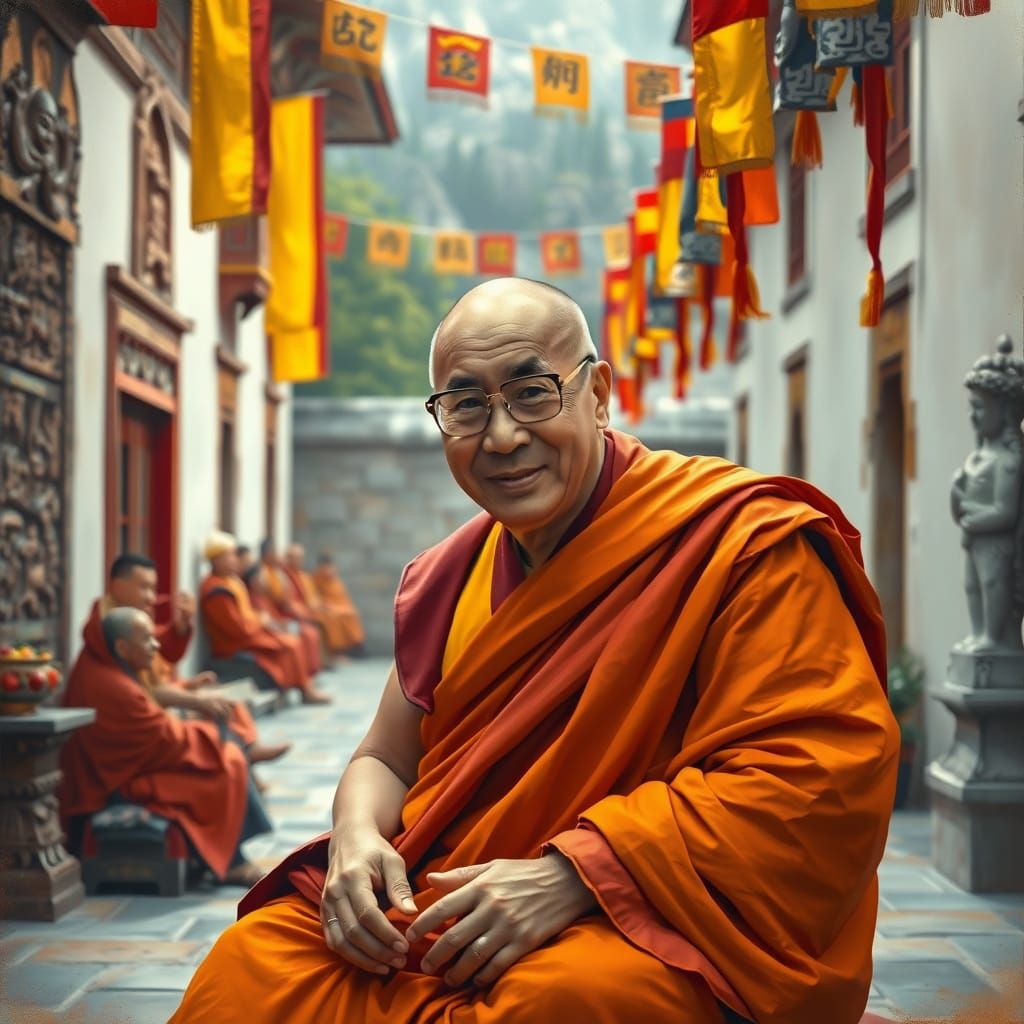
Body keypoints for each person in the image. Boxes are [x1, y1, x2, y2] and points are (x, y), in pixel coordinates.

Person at [171, 279, 900, 1024]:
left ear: (598, 394)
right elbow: (387, 757)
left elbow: (818, 778)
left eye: (531, 393)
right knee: (248, 967)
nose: (502, 437)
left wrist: (578, 875)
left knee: (565, 1003)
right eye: (466, 405)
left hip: (641, 912)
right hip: (448, 905)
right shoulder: (451, 576)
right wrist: (356, 840)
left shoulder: (737, 545)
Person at [59, 606, 271, 888]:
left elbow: (156, 704)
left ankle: (229, 854)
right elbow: (163, 739)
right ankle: (231, 862)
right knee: (225, 764)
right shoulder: (112, 683)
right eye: (147, 640)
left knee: (227, 751)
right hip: (115, 782)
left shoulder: (104, 659)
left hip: (131, 765)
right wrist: (209, 735)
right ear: (122, 647)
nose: (155, 646)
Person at [89, 553, 290, 767]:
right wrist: (194, 699)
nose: (151, 597)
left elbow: (156, 658)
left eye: (153, 589)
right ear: (119, 587)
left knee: (226, 709)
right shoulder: (110, 631)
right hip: (137, 731)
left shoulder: (232, 584)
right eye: (144, 588)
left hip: (158, 704)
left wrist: (181, 630)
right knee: (219, 742)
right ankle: (244, 756)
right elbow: (145, 689)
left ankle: (247, 753)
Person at [199, 531, 331, 706]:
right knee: (290, 645)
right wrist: (261, 621)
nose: (235, 560)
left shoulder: (232, 582)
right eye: (229, 555)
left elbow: (251, 613)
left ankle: (306, 685)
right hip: (234, 644)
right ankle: (305, 689)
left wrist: (263, 620)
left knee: (293, 640)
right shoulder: (216, 590)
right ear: (216, 559)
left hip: (251, 633)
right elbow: (237, 629)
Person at [250, 539, 324, 676]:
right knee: (304, 635)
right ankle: (302, 680)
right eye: (275, 552)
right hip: (279, 619)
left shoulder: (279, 573)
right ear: (268, 554)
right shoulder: (263, 574)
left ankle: (308, 676)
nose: (278, 556)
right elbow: (279, 603)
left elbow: (287, 598)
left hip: (281, 618)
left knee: (309, 632)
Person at [282, 544, 363, 658]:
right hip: (301, 611)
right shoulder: (283, 576)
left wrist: (318, 604)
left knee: (348, 612)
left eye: (300, 558)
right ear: (287, 558)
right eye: (295, 558)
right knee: (329, 617)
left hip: (315, 607)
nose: (298, 561)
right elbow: (289, 600)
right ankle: (335, 653)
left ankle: (344, 650)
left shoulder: (304, 576)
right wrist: (317, 605)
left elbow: (313, 596)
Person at [313, 552, 366, 652]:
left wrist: (344, 606)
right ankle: (336, 650)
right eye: (326, 567)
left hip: (339, 606)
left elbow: (343, 596)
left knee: (351, 612)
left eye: (330, 567)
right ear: (321, 567)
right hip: (326, 607)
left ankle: (354, 645)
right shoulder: (316, 579)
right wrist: (327, 605)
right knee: (332, 617)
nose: (329, 570)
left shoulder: (335, 580)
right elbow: (315, 597)